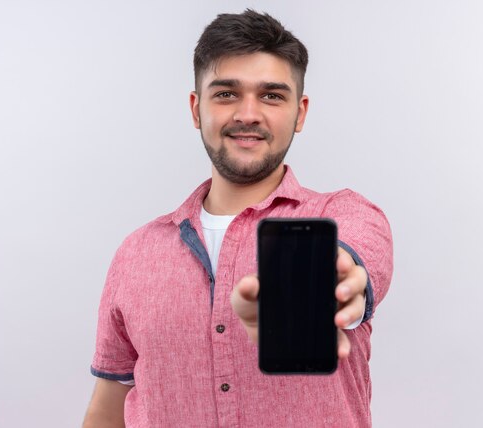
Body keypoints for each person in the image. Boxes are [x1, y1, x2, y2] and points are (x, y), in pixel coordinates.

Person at [83, 9, 393, 428]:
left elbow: (349, 269)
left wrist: (331, 291)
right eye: (226, 94)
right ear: (197, 109)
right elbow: (108, 410)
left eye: (271, 95)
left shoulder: (345, 216)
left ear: (300, 113)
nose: (248, 114)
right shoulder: (135, 253)